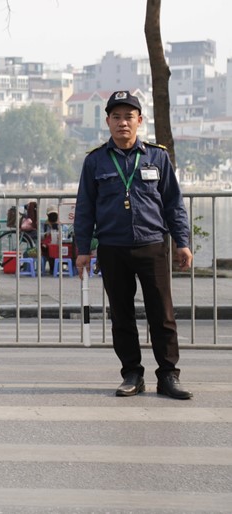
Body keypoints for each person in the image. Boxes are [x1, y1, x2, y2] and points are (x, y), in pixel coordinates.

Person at [74, 90, 193, 400]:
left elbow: (173, 204)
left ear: (140, 121)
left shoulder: (157, 156)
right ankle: (132, 374)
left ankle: (168, 375)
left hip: (152, 246)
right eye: (116, 117)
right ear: (108, 122)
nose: (122, 122)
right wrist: (83, 249)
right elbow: (85, 207)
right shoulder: (95, 160)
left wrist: (183, 242)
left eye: (128, 116)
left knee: (162, 314)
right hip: (113, 249)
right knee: (122, 315)